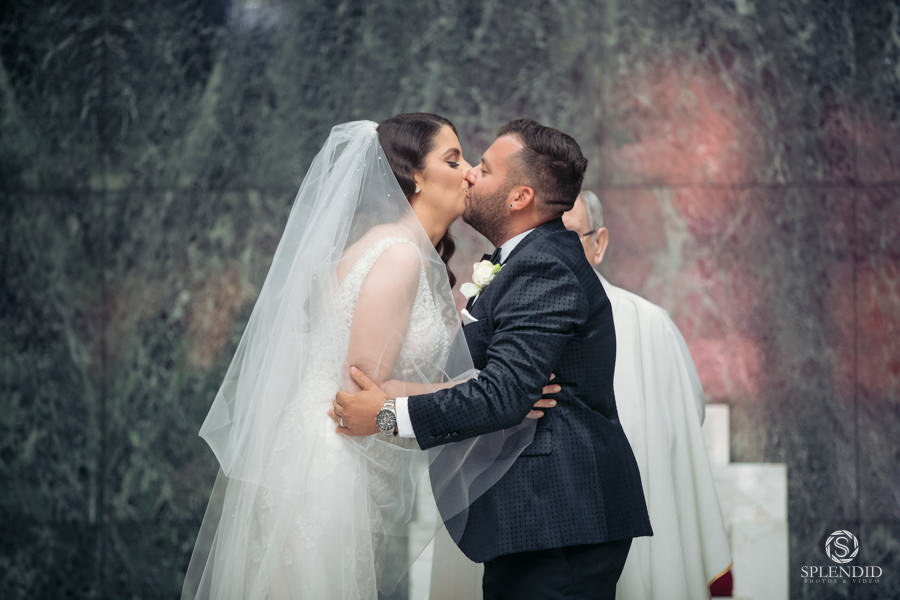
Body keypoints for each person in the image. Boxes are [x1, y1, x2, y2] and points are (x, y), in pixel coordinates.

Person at [181, 114, 554, 600]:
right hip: (329, 466)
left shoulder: (403, 250)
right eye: (452, 160)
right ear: (414, 176)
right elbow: (362, 390)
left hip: (350, 463)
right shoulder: (398, 256)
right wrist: (488, 390)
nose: (468, 172)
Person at [334, 119, 653, 600]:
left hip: (557, 520)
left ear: (519, 197)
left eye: (483, 169)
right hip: (543, 522)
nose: (470, 174)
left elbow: (503, 395)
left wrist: (384, 414)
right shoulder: (523, 260)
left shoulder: (544, 265)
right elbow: (496, 387)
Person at [562, 190, 732, 599]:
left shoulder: (649, 326)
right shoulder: (507, 323)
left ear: (598, 244)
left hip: (630, 533)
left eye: (567, 238)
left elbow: (686, 416)